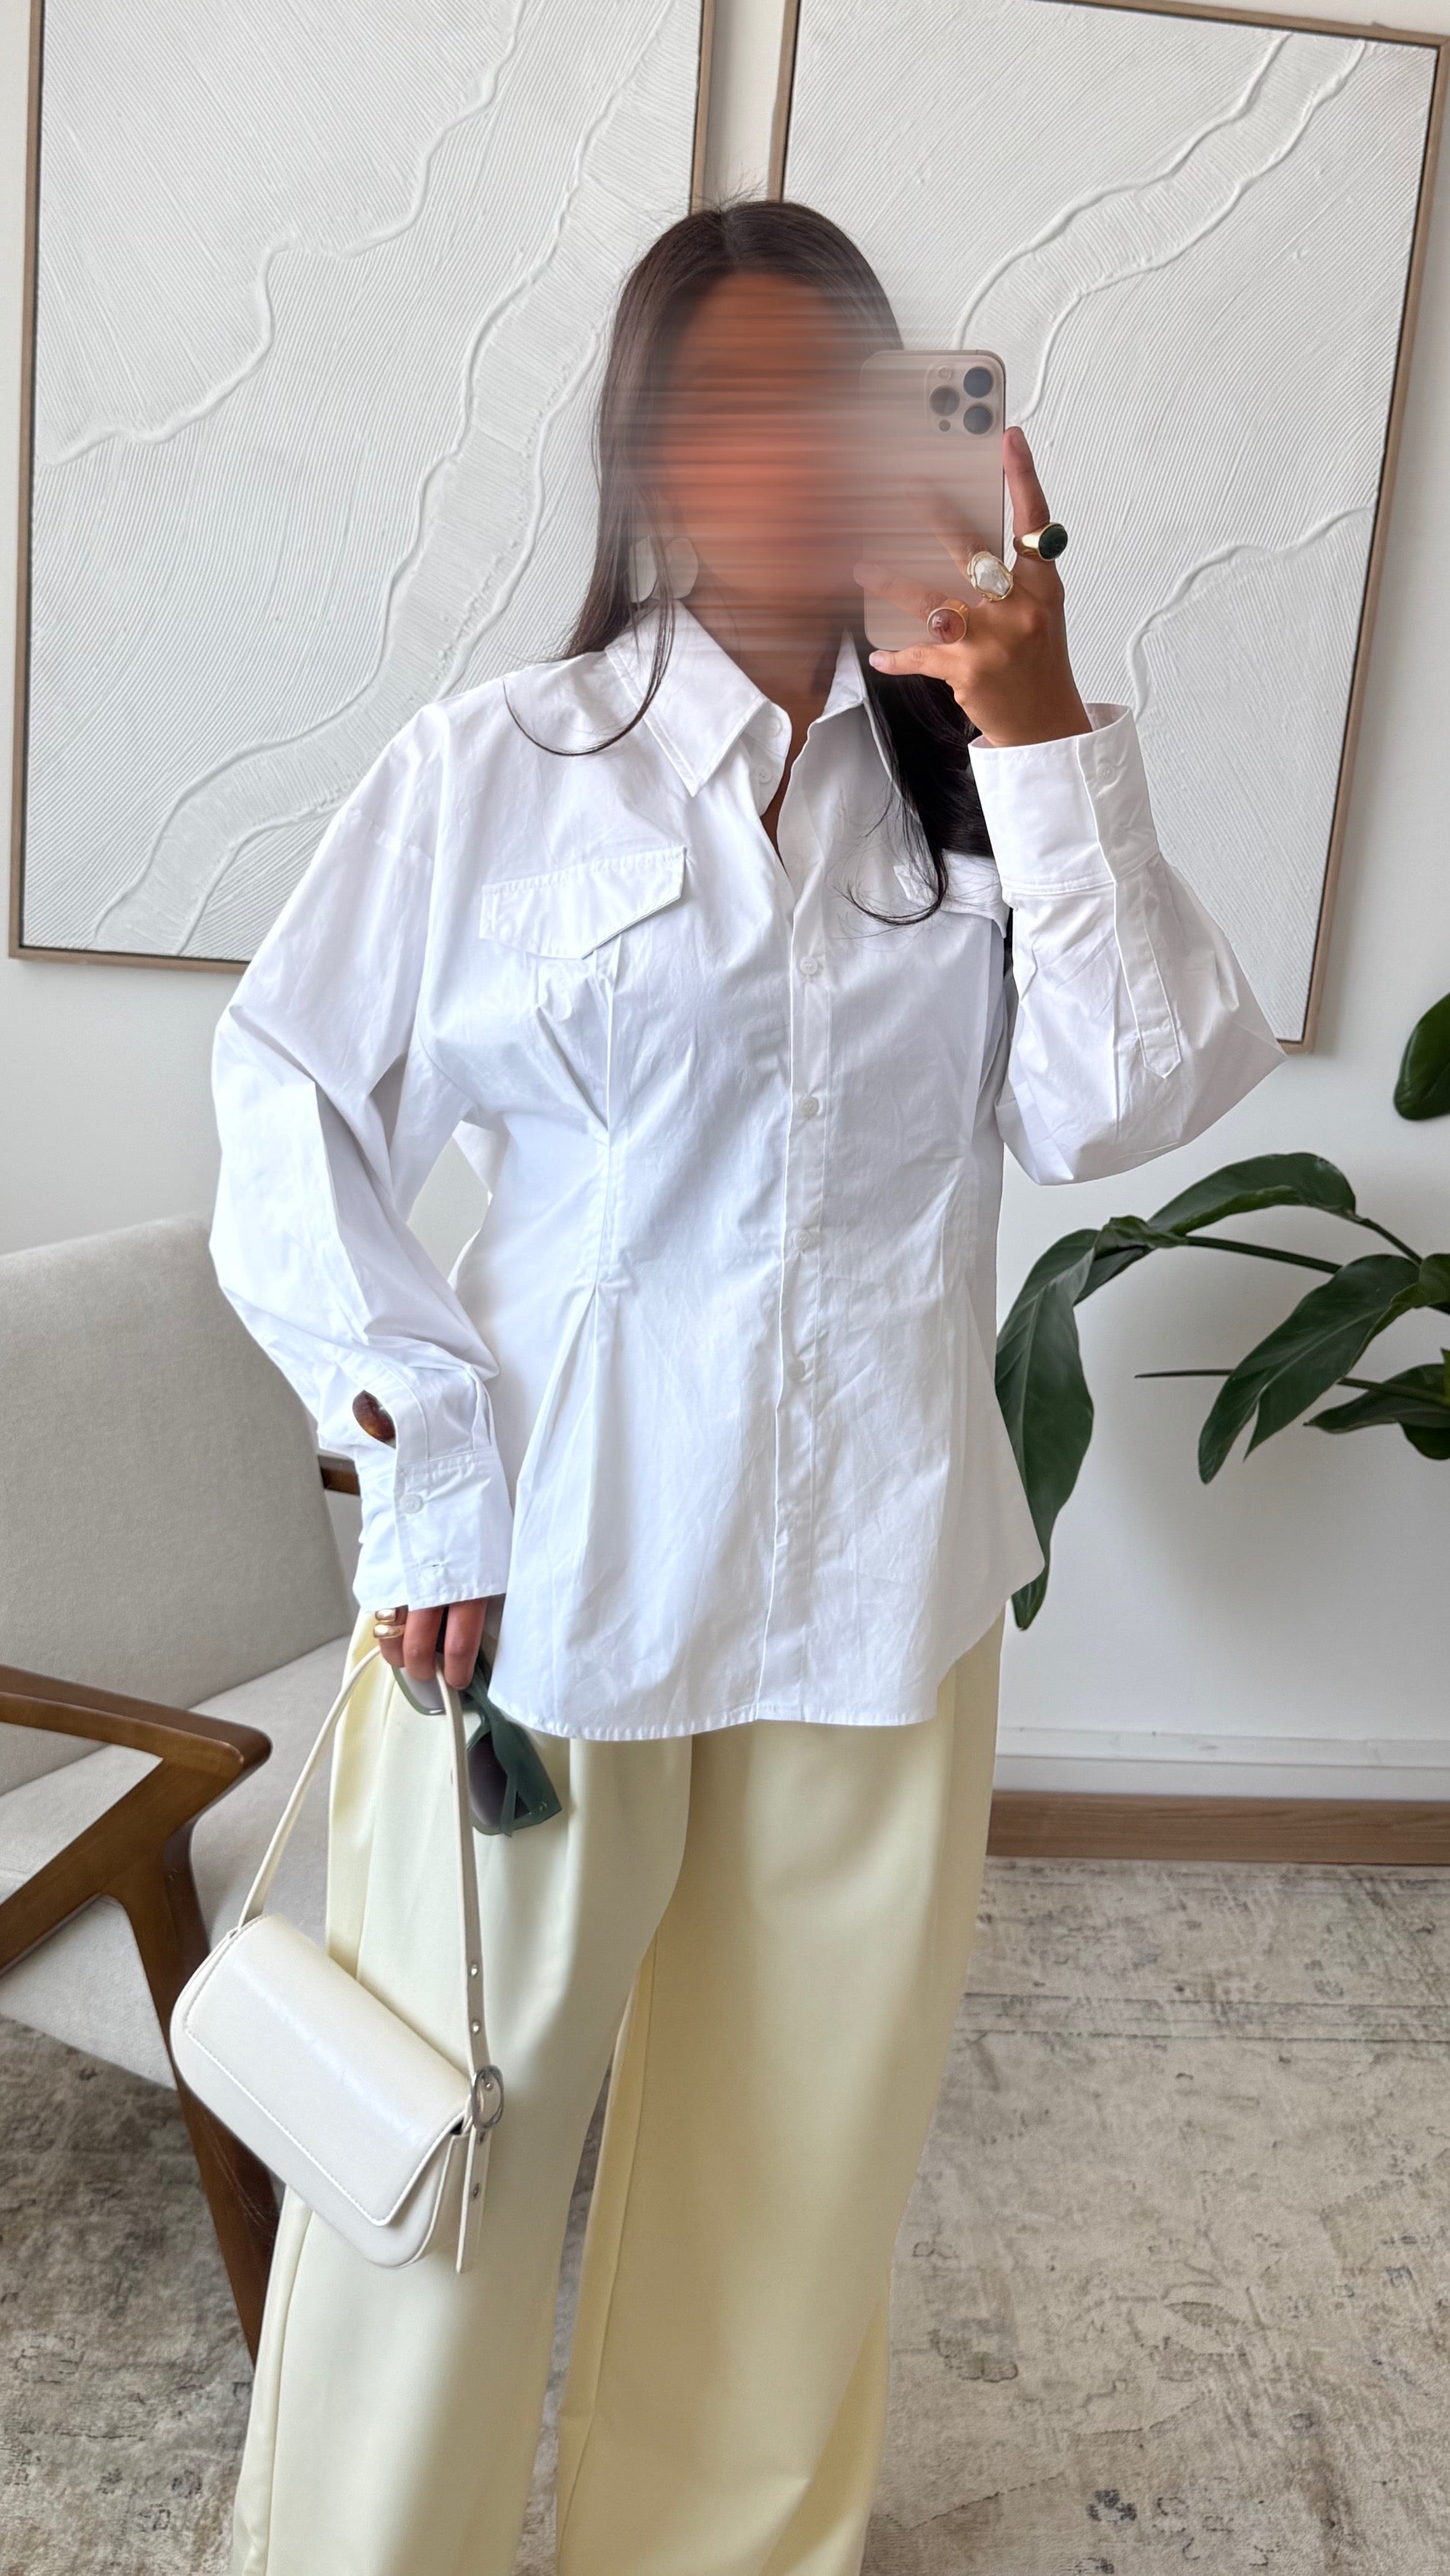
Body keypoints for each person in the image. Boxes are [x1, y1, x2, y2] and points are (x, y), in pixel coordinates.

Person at [209, 199, 1281, 2576]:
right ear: (647, 458)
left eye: (836, 401)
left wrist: (1040, 724)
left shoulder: (979, 799)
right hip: (546, 1590)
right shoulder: (500, 770)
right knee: (442, 2162)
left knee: (793, 2185)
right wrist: (426, 1473)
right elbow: (286, 1100)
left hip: (878, 1594)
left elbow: (1129, 1096)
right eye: (727, 407)